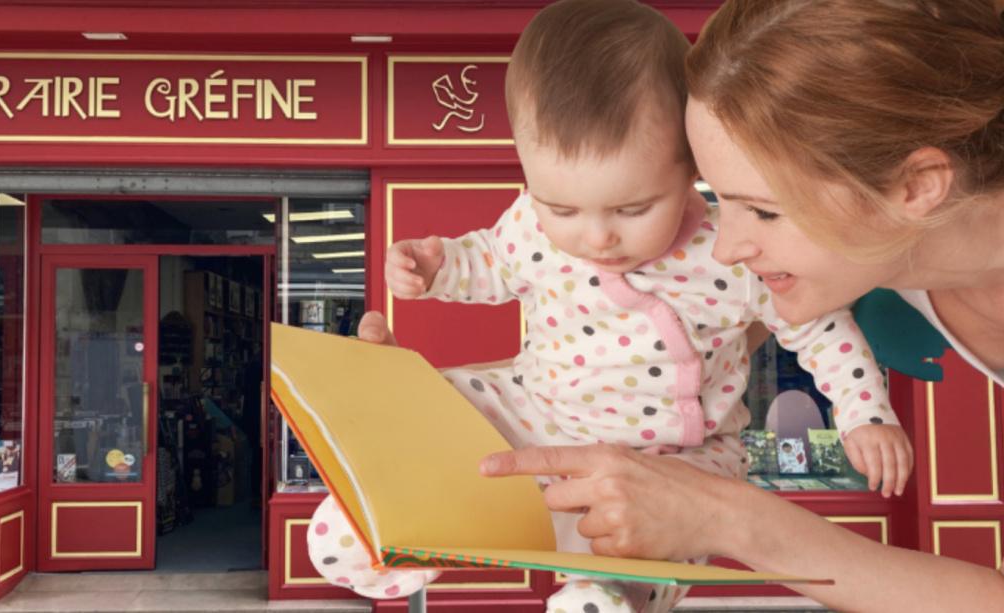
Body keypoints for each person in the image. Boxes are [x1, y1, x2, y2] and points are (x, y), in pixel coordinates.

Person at [307, 1, 908, 611]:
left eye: (632, 209)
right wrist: (436, 268)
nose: (596, 237)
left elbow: (816, 328)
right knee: (451, 398)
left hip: (675, 455)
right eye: (562, 208)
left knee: (670, 531)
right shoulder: (530, 227)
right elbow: (490, 259)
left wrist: (864, 412)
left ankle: (610, 591)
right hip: (539, 413)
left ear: (690, 169)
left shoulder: (729, 249)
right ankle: (393, 519)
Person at [472, 0, 1004, 610]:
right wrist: (418, 399)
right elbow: (629, 377)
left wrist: (729, 518)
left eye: (765, 211)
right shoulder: (863, 270)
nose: (724, 248)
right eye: (718, 199)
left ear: (916, 186)